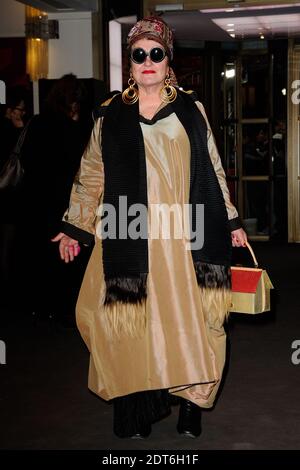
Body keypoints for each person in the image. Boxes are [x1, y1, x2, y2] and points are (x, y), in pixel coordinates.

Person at [53, 17, 247, 439]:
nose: (147, 61)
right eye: (139, 54)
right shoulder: (110, 113)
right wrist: (76, 226)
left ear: (167, 59)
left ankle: (191, 406)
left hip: (183, 238)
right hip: (128, 235)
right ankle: (137, 407)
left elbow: (213, 169)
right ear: (131, 62)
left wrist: (230, 220)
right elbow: (91, 175)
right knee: (125, 327)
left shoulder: (190, 110)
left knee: (192, 323)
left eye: (155, 53)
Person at [18, 74, 93, 325]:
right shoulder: (73, 129)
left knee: (37, 255)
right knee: (63, 257)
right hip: (61, 201)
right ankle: (60, 307)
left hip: (34, 200)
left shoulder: (37, 123)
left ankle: (37, 305)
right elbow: (80, 169)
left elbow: (26, 159)